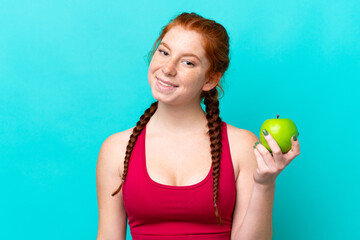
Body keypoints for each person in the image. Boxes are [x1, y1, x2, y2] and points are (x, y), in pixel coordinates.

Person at [96, 12, 301, 240]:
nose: (168, 68)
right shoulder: (116, 149)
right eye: (164, 52)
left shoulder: (241, 145)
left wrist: (265, 184)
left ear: (210, 80)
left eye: (188, 62)